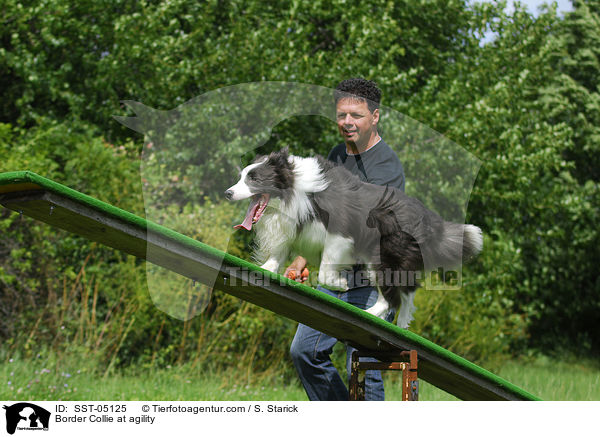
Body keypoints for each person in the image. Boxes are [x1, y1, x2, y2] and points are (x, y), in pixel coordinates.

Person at [287, 78, 405, 401]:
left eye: (356, 115)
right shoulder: (337, 155)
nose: (347, 122)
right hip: (336, 277)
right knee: (304, 352)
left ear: (375, 117)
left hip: (373, 281)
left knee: (363, 364)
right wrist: (301, 258)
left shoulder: (387, 168)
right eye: (341, 115)